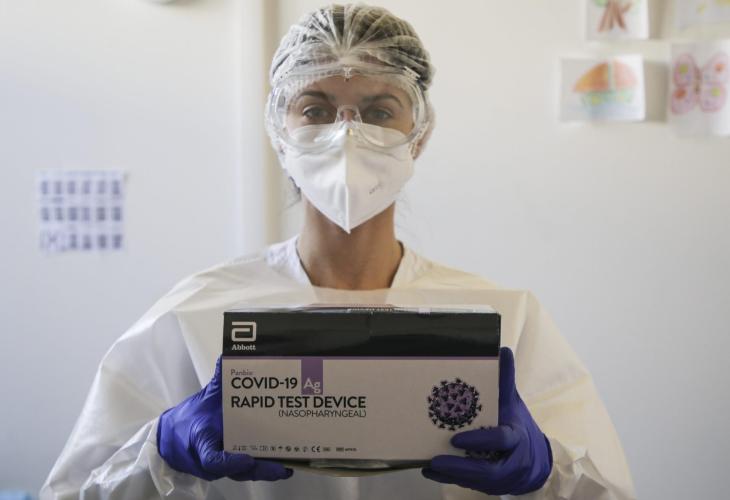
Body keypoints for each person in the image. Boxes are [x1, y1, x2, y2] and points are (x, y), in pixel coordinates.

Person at [41, 4, 636, 499]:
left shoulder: (508, 320)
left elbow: (607, 491)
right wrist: (161, 449)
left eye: (379, 111)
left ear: (419, 133)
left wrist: (547, 472)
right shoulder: (192, 317)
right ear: (279, 130)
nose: (347, 131)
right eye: (316, 109)